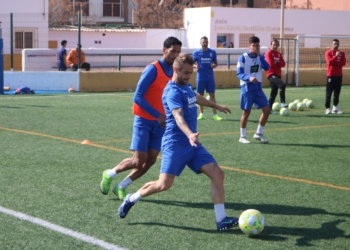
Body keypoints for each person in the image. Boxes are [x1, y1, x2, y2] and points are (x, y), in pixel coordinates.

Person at [118, 53, 239, 231]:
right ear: (175, 70)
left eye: (191, 73)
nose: (189, 76)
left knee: (218, 174)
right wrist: (190, 134)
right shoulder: (172, 91)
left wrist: (216, 105)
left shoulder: (186, 86)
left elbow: (195, 96)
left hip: (193, 144)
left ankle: (221, 220)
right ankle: (131, 198)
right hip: (175, 143)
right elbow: (178, 116)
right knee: (163, 185)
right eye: (186, 73)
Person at [99, 37, 182, 200]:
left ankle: (121, 186)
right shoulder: (153, 69)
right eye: (173, 51)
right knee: (139, 160)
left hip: (161, 123)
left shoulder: (175, 71)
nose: (176, 55)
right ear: (163, 50)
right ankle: (110, 174)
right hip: (144, 120)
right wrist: (157, 114)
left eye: (178, 52)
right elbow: (138, 97)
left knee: (151, 160)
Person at [237, 36, 270, 144]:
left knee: (267, 110)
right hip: (247, 88)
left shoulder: (261, 57)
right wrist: (249, 78)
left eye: (257, 45)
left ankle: (258, 133)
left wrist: (260, 56)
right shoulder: (243, 58)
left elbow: (267, 68)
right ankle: (242, 136)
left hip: (258, 88)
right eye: (253, 45)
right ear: (249, 46)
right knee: (246, 112)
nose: (255, 48)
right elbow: (239, 74)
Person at [192, 36, 222, 121]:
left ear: (208, 42)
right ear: (200, 43)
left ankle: (215, 115)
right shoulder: (196, 53)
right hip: (200, 77)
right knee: (200, 96)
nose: (205, 43)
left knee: (212, 95)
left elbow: (216, 63)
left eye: (206, 42)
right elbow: (192, 63)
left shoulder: (212, 52)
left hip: (210, 77)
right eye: (203, 42)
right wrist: (195, 66)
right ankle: (201, 114)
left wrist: (214, 65)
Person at [265, 39, 287, 114]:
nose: (274, 46)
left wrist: (277, 63)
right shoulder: (268, 53)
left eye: (276, 45)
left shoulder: (279, 54)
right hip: (271, 74)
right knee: (282, 85)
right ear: (271, 45)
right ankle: (282, 102)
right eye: (273, 44)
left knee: (274, 93)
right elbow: (271, 64)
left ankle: (269, 109)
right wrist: (278, 63)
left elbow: (284, 64)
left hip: (278, 74)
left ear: (278, 46)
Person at [325, 39, 346, 114]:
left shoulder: (342, 53)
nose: (336, 45)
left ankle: (335, 108)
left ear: (339, 44)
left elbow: (343, 63)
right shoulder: (328, 52)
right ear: (332, 44)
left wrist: (335, 64)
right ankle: (327, 108)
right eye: (334, 43)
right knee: (329, 92)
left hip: (339, 75)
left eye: (337, 43)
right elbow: (329, 62)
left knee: (337, 92)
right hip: (331, 75)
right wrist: (335, 57)